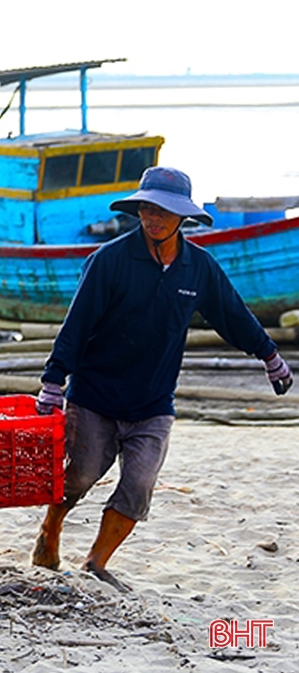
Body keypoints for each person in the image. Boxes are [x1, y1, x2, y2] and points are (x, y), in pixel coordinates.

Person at [31, 166, 292, 591]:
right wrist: (53, 381)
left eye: (164, 212)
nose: (154, 219)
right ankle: (51, 527)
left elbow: (232, 314)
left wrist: (269, 356)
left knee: (138, 486)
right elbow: (76, 324)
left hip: (153, 403)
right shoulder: (109, 261)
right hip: (95, 395)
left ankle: (95, 564)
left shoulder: (198, 268)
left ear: (183, 217)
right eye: (148, 209)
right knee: (79, 476)